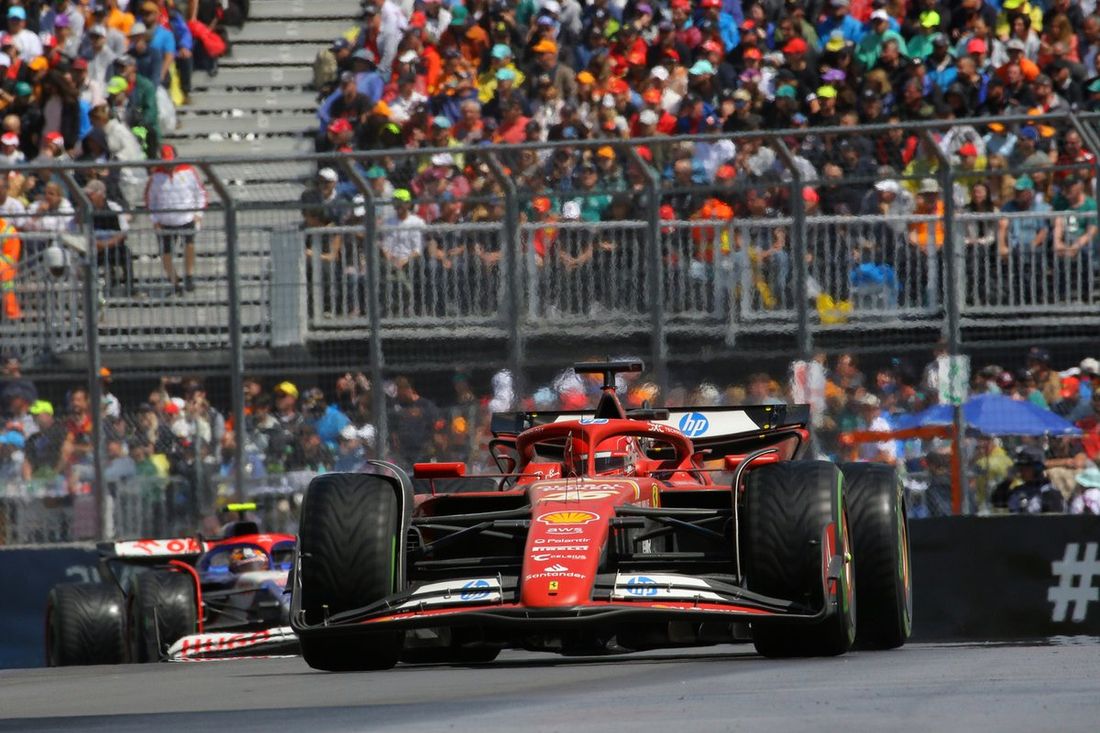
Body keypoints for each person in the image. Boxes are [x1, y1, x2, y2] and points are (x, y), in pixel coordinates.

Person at [146, 144, 206, 294]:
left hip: (186, 216)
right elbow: (149, 200)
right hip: (165, 220)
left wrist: (198, 214)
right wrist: (155, 219)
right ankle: (175, 281)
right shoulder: (156, 176)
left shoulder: (188, 171)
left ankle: (189, 274)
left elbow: (200, 193)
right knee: (165, 253)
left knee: (189, 245)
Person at [991, 445, 1065, 514]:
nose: (1020, 471)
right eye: (1020, 468)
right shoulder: (1018, 491)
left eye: (1025, 468)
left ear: (1036, 469)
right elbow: (997, 501)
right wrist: (1008, 481)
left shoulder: (1049, 493)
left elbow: (1053, 521)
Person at [0, 213, 20, 320]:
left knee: (6, 281)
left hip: (5, 269)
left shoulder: (7, 230)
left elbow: (10, 257)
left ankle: (11, 311)